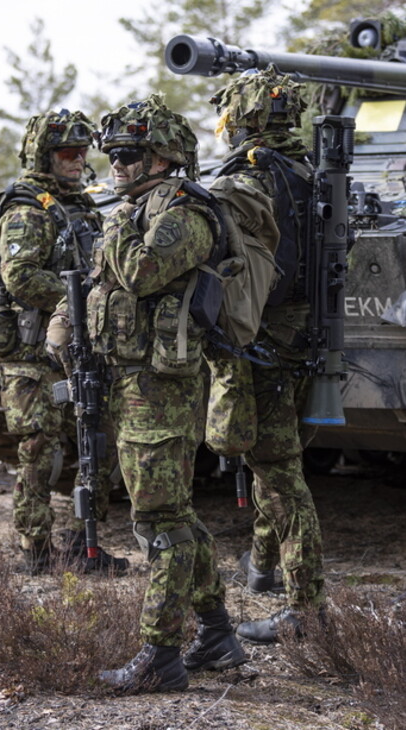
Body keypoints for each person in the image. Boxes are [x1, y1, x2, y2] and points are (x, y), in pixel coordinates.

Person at [88, 94, 245, 693]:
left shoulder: (182, 210)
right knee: (171, 514)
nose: (116, 163)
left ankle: (161, 654)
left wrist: (118, 227)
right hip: (132, 381)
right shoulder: (137, 207)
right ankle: (217, 633)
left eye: (128, 153)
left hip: (164, 389)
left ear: (162, 157)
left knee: (159, 522)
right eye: (114, 153)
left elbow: (143, 272)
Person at [208, 68, 326, 643]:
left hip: (263, 341)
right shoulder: (310, 171)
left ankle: (307, 610)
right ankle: (261, 567)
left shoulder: (249, 175)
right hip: (303, 336)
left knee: (279, 475)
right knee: (276, 465)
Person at [0, 109, 127, 575]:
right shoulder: (28, 209)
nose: (77, 159)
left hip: (74, 348)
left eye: (82, 151)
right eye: (67, 152)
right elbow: (20, 277)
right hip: (31, 352)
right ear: (44, 155)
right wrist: (83, 296)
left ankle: (82, 542)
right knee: (38, 451)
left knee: (95, 445)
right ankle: (36, 545)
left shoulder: (81, 205)